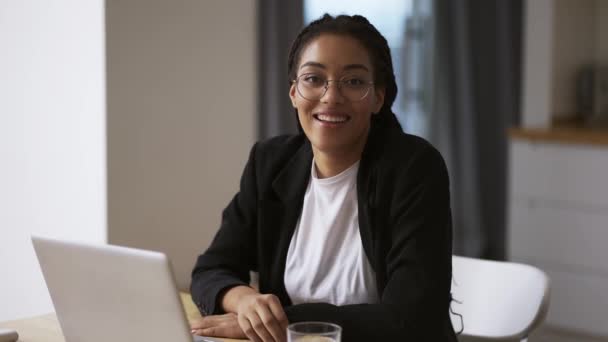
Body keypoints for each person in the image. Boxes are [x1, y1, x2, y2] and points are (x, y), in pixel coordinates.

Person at [189, 14, 457, 342]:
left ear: (378, 97)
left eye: (354, 81)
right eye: (314, 79)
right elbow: (211, 269)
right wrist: (245, 302)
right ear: (293, 92)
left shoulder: (414, 169)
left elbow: (413, 316)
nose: (330, 97)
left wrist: (286, 320)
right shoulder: (270, 162)